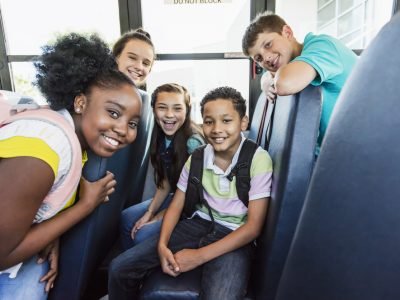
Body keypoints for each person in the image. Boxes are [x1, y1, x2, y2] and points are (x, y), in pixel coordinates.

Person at [0, 33, 142, 299]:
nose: (123, 130)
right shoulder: (45, 146)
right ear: (80, 103)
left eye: (133, 123)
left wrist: (49, 233)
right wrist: (85, 206)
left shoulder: (75, 142)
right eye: (113, 113)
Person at [108, 86, 273, 300]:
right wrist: (162, 245)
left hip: (234, 234)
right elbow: (176, 205)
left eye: (226, 120)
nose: (216, 129)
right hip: (198, 224)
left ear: (243, 122)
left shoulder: (258, 159)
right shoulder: (197, 157)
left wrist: (198, 257)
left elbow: (252, 228)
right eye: (209, 121)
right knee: (120, 268)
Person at [242, 11, 358, 152]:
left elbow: (284, 84)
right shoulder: (292, 64)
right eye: (258, 58)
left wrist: (269, 78)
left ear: (287, 32)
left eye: (268, 44)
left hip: (355, 153)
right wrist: (266, 78)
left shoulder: (323, 45)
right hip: (325, 153)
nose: (265, 58)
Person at [120, 83, 204, 250]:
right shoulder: (161, 137)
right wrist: (149, 213)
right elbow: (165, 181)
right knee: (127, 217)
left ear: (187, 110)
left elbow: (197, 196)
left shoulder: (193, 143)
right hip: (175, 195)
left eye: (177, 109)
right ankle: (130, 265)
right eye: (162, 108)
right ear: (153, 109)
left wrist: (161, 215)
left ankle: (141, 264)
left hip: (194, 205)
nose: (169, 115)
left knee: (142, 234)